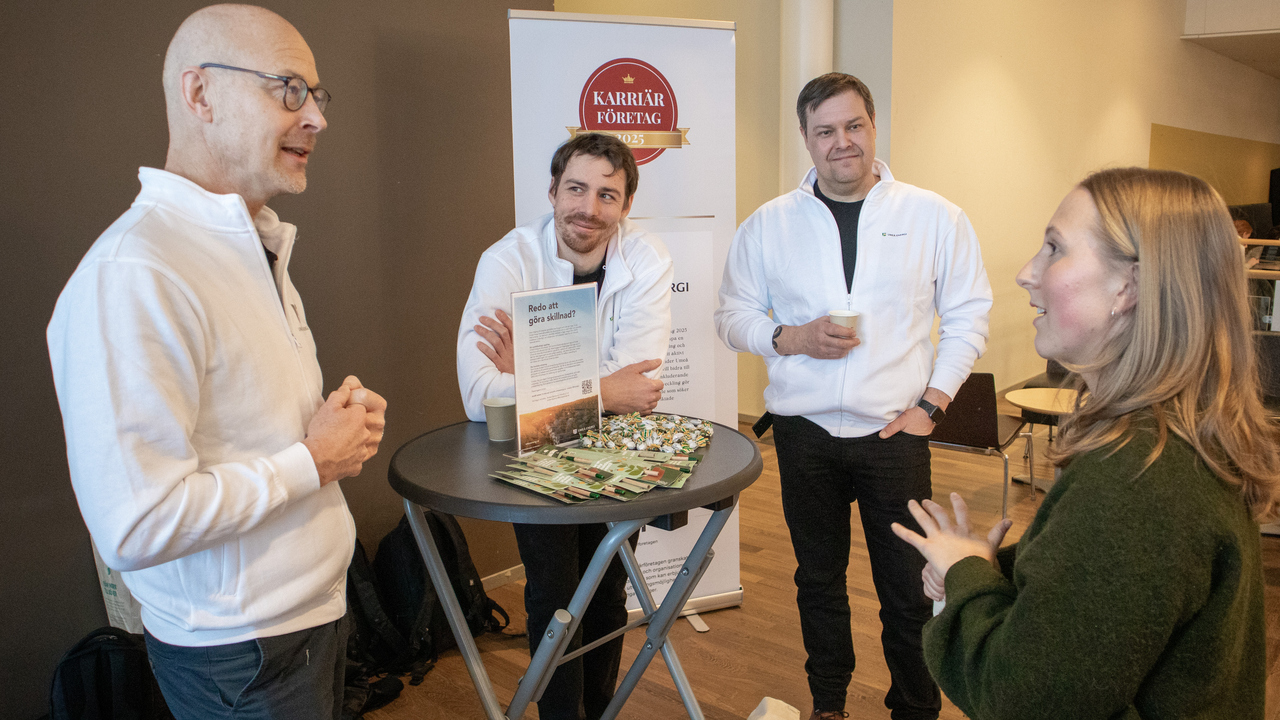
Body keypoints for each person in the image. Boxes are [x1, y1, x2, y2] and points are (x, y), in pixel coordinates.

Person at [46, 6, 386, 718]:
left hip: (309, 616)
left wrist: (331, 431)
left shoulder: (249, 243)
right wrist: (311, 460)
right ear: (200, 96)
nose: (316, 119)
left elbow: (250, 432)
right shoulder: (133, 274)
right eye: (289, 89)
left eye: (317, 96)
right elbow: (136, 525)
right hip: (242, 655)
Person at [893, 168, 1278, 719]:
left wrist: (964, 575)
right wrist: (981, 567)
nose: (1028, 273)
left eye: (1054, 248)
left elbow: (1022, 699)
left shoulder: (1140, 475)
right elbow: (1102, 598)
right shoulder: (1175, 439)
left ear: (1129, 288)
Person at [715, 73, 992, 720]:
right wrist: (789, 336)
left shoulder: (932, 215)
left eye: (853, 126)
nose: (842, 142)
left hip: (894, 436)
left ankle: (914, 709)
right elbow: (731, 318)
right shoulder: (768, 225)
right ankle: (829, 704)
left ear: (873, 126)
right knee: (818, 582)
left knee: (907, 589)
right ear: (806, 139)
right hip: (803, 435)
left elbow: (969, 313)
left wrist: (932, 405)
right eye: (825, 131)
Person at [455, 132, 672, 720]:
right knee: (555, 598)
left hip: (613, 455)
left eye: (608, 194)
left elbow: (641, 388)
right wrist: (603, 387)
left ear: (625, 206)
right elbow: (479, 395)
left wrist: (530, 371)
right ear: (552, 191)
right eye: (575, 188)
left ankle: (598, 711)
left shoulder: (646, 258)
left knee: (605, 595)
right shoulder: (509, 259)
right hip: (533, 455)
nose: (589, 207)